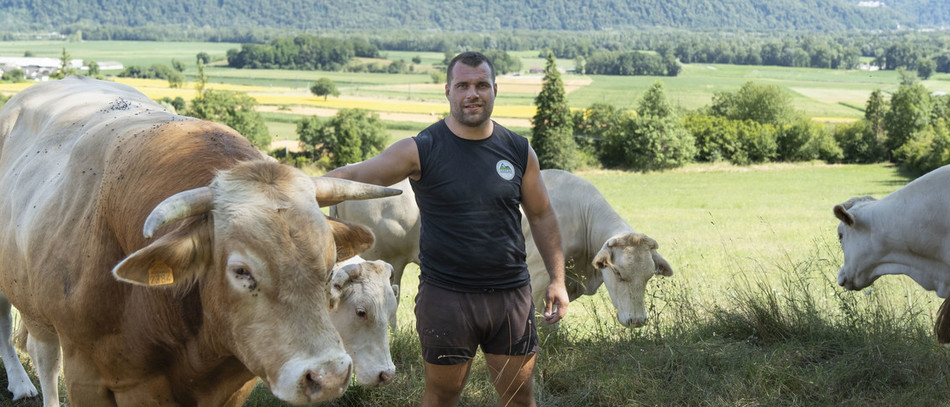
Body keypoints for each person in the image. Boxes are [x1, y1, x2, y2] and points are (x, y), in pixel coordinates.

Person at [324, 51, 569, 407]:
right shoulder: (422, 149)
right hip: (447, 299)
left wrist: (558, 281)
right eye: (463, 85)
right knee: (441, 397)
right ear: (448, 91)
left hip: (510, 297)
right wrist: (295, 187)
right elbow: (358, 174)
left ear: (495, 89)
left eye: (482, 85)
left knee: (519, 398)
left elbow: (543, 215)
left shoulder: (518, 151)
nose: (473, 93)